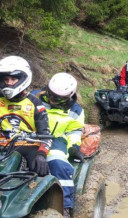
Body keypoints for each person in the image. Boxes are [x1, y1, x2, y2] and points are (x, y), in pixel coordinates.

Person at [32, 72, 85, 217]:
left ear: (69, 96)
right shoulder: (34, 97)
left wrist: (74, 147)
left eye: (58, 98)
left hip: (56, 140)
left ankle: (65, 206)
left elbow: (74, 131)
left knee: (58, 164)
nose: (52, 99)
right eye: (51, 94)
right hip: (30, 135)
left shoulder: (76, 110)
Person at [0, 56, 50, 176]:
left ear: (23, 79)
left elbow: (46, 134)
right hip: (2, 145)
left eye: (13, 79)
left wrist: (41, 154)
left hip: (28, 145)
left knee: (40, 171)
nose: (9, 83)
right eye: (6, 79)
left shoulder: (35, 103)